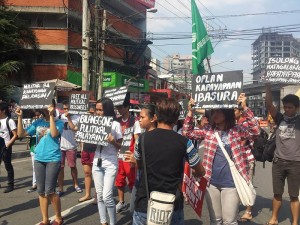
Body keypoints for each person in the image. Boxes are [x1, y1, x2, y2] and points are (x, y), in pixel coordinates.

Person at [183, 93, 260, 225]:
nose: (215, 115)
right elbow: (187, 132)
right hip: (211, 183)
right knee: (215, 220)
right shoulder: (208, 130)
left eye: (218, 111)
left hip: (231, 183)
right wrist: (190, 111)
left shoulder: (237, 130)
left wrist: (245, 109)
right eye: (213, 112)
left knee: (229, 221)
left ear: (227, 113)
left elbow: (255, 131)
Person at [131, 98, 205, 225]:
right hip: (172, 205)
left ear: (156, 116)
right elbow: (200, 170)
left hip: (145, 203)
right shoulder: (184, 142)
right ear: (176, 119)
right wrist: (197, 172)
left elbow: (139, 165)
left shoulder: (141, 140)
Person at [16, 102, 64, 225]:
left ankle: (58, 217)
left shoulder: (59, 122)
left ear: (53, 106)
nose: (45, 108)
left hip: (53, 159)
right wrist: (20, 117)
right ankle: (45, 219)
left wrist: (52, 115)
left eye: (47, 105)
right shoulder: (38, 122)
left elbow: (53, 134)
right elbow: (21, 134)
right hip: (39, 158)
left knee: (50, 191)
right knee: (41, 191)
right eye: (43, 105)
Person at [264, 84, 300, 225]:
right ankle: (274, 218)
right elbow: (269, 105)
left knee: (294, 196)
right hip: (278, 161)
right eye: (285, 107)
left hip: (295, 163)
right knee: (277, 194)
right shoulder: (279, 118)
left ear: (296, 107)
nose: (287, 109)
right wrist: (268, 88)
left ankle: (295, 222)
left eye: (290, 107)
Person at [93, 97, 123, 225]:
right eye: (97, 110)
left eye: (101, 110)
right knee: (99, 195)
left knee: (107, 196)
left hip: (110, 162)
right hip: (96, 162)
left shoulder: (116, 125)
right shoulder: (92, 122)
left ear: (108, 110)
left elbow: (121, 146)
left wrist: (113, 142)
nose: (98, 112)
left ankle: (112, 222)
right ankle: (103, 221)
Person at [124, 103, 157, 214]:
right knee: (133, 209)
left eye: (142, 117)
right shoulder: (141, 138)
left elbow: (157, 163)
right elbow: (136, 164)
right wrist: (133, 160)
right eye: (139, 117)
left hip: (153, 185)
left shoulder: (158, 138)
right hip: (139, 182)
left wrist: (137, 161)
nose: (139, 120)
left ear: (153, 118)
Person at [115, 96, 141, 213]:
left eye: (121, 107)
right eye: (118, 107)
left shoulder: (134, 122)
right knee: (119, 180)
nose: (119, 109)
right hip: (118, 155)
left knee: (132, 181)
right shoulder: (116, 121)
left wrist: (135, 155)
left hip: (129, 156)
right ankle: (121, 202)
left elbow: (137, 139)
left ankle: (134, 203)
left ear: (127, 107)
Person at [234, 106, 257, 222]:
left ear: (240, 112)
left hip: (246, 158)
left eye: (235, 110)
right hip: (238, 159)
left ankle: (248, 212)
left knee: (248, 184)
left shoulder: (244, 123)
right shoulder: (236, 123)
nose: (233, 112)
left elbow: (242, 142)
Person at [57, 100, 82, 197]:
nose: (65, 111)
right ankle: (60, 188)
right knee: (60, 168)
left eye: (67, 109)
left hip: (71, 146)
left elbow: (73, 128)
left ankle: (76, 184)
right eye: (64, 109)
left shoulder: (77, 118)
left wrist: (69, 118)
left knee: (72, 166)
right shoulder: (60, 117)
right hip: (60, 146)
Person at [79, 104, 97, 203]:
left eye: (92, 113)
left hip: (96, 151)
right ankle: (87, 194)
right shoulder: (85, 122)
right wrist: (81, 149)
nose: (91, 115)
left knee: (97, 174)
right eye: (89, 113)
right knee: (87, 173)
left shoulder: (101, 123)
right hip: (86, 149)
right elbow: (81, 135)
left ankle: (97, 195)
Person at [0, 102, 18, 193]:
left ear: (3, 111)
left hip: (6, 146)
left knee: (8, 165)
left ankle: (10, 185)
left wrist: (8, 144)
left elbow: (15, 135)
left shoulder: (9, 121)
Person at [27, 109, 44, 193]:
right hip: (33, 148)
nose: (36, 117)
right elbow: (25, 133)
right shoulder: (32, 125)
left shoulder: (43, 124)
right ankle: (34, 183)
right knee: (35, 167)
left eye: (38, 115)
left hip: (43, 148)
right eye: (35, 115)